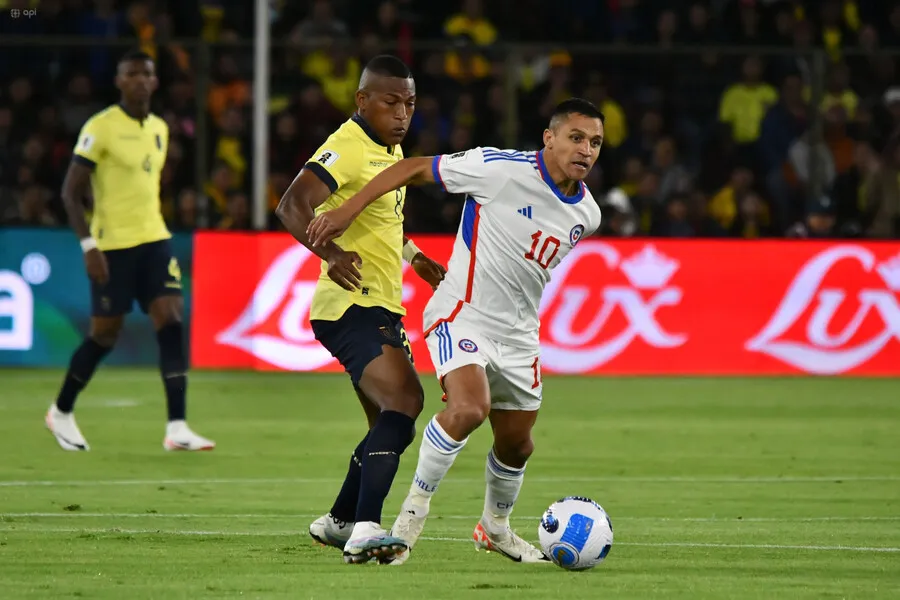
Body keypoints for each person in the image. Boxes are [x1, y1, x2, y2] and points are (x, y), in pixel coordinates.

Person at [307, 98, 605, 564]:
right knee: (468, 409)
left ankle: (495, 528)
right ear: (549, 138)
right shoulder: (496, 168)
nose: (586, 150)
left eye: (595, 143)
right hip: (462, 314)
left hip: (520, 336)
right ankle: (408, 522)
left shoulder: (587, 214)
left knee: (517, 444)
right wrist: (346, 212)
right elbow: (410, 169)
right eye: (576, 137)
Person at [274, 55, 446, 564]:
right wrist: (330, 253)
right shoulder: (347, 146)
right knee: (406, 401)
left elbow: (383, 222)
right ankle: (366, 528)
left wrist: (414, 257)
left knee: (390, 423)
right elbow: (291, 205)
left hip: (380, 303)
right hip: (350, 303)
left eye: (409, 104)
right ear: (362, 101)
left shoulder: (389, 151)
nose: (402, 114)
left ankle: (338, 521)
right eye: (391, 103)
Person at [45, 50, 214, 453]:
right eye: (131, 74)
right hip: (112, 247)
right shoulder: (100, 127)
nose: (140, 80)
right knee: (105, 335)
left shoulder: (159, 128)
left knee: (171, 319)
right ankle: (61, 411)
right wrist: (89, 245)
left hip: (154, 239)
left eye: (146, 74)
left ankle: (177, 427)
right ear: (119, 81)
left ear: (155, 81)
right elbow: (70, 192)